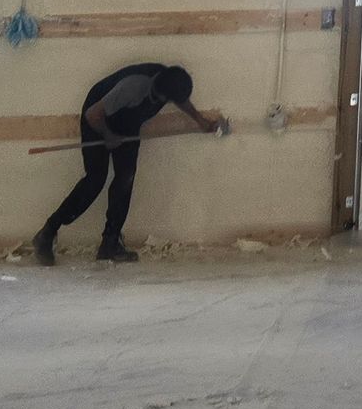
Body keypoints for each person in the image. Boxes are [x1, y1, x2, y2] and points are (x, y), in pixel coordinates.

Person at [31, 61, 224, 265]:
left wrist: (200, 121)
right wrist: (108, 134)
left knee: (126, 178)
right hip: (98, 119)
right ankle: (47, 233)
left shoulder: (168, 82)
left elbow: (181, 99)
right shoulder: (134, 87)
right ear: (161, 96)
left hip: (127, 123)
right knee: (95, 180)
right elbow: (92, 114)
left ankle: (110, 243)